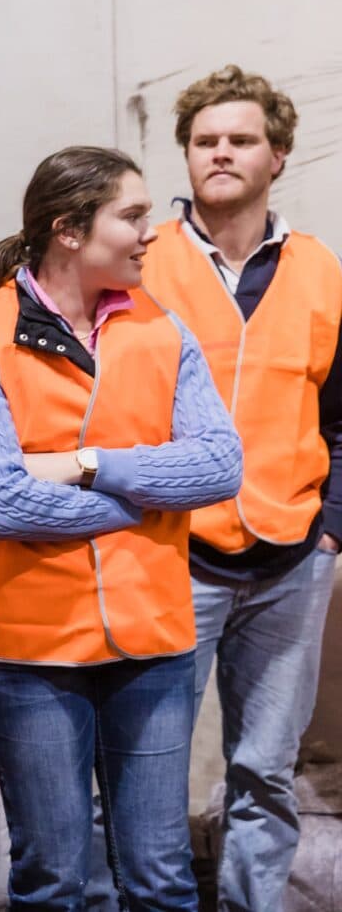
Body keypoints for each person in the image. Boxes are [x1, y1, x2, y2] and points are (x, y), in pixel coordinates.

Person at [0, 146, 242, 910]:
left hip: (154, 644)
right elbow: (0, 501)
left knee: (161, 877)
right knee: (55, 879)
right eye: (133, 216)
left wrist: (87, 463)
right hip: (29, 653)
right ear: (69, 229)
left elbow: (219, 466)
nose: (153, 232)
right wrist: (148, 498)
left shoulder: (163, 329)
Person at [139, 66, 342, 911]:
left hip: (292, 562)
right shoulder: (142, 261)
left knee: (266, 768)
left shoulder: (321, 270)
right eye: (203, 141)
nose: (220, 152)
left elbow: (339, 413)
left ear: (279, 155)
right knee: (145, 766)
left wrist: (331, 528)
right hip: (174, 554)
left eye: (240, 139)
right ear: (185, 157)